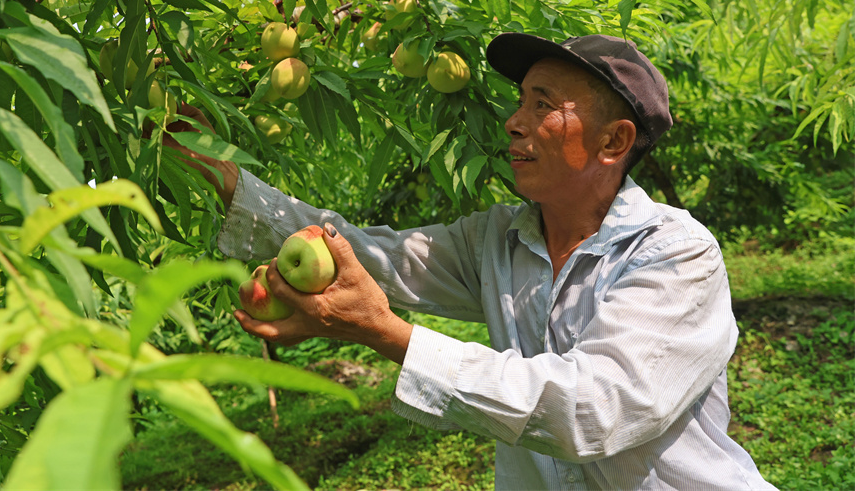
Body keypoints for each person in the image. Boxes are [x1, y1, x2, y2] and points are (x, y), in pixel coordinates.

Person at [172, 33, 775, 490]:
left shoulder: (674, 252)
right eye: (521, 101)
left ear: (613, 142)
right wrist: (223, 178)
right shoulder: (497, 239)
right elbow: (372, 255)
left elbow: (593, 409)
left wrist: (387, 335)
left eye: (543, 106)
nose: (514, 122)